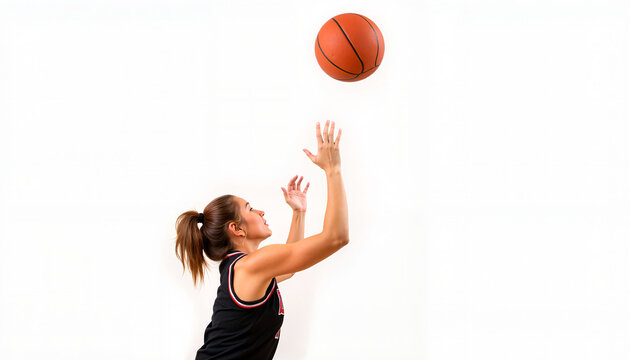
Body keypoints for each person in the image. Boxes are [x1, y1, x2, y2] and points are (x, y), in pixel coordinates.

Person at [175, 120, 349, 360]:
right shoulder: (250, 266)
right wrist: (333, 170)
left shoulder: (246, 267)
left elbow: (288, 268)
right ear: (236, 228)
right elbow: (336, 238)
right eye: (250, 209)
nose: (261, 213)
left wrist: (298, 214)